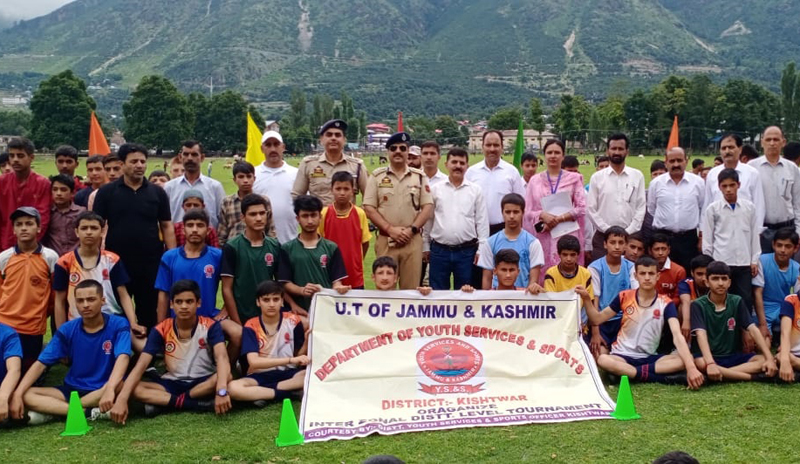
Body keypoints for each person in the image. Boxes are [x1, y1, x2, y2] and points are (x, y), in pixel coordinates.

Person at [10, 279, 131, 424]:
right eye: (80, 301)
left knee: (120, 384)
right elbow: (41, 363)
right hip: (72, 390)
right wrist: (17, 393)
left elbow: (123, 357)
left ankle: (56, 411)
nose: (85, 305)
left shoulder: (119, 324)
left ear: (102, 301)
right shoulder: (67, 329)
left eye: (91, 299)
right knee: (26, 394)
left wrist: (110, 388)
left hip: (103, 388)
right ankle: (88, 412)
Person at [109, 280, 231, 423]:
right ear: (171, 304)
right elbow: (141, 365)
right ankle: (195, 404)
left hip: (203, 381)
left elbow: (222, 358)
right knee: (124, 387)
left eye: (189, 301)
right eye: (179, 302)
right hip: (171, 383)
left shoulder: (211, 326)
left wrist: (221, 391)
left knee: (226, 376)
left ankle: (165, 403)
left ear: (198, 303)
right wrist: (122, 399)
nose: (184, 306)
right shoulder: (161, 328)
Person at [586, 256, 703, 389]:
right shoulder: (624, 296)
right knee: (603, 359)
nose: (647, 278)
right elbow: (597, 319)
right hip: (622, 356)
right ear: (636, 276)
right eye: (642, 273)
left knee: (683, 360)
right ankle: (659, 378)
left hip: (649, 357)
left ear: (658, 276)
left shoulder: (665, 303)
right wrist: (586, 298)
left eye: (651, 274)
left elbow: (677, 335)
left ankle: (628, 373)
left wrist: (691, 368)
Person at [93, 143, 176, 329]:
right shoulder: (107, 192)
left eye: (142, 161)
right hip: (116, 262)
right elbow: (96, 225)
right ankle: (120, 345)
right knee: (116, 310)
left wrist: (171, 256)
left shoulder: (157, 192)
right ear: (122, 164)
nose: (139, 165)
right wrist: (96, 256)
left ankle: (148, 345)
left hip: (150, 262)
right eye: (134, 161)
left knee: (148, 310)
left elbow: (166, 225)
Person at [154, 209, 241, 363]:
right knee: (183, 363)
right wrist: (161, 327)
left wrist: (225, 310)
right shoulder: (169, 257)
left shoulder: (217, 256)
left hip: (210, 317)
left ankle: (222, 366)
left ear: (208, 230)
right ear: (183, 229)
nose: (195, 229)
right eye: (190, 225)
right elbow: (163, 295)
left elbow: (231, 286)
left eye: (200, 225)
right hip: (179, 319)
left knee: (238, 334)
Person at [52, 211, 145, 350]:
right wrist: (61, 334)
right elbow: (59, 301)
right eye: (84, 228)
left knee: (144, 349)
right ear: (77, 232)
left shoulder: (112, 259)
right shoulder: (64, 262)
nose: (89, 232)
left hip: (112, 319)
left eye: (94, 228)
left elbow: (124, 295)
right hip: (79, 322)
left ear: (102, 231)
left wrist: (133, 323)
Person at [363, 132, 433, 290]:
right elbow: (369, 207)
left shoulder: (419, 176)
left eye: (402, 148)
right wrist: (389, 229)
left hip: (412, 240)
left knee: (411, 290)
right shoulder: (377, 176)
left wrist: (412, 229)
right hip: (386, 240)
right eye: (393, 148)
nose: (398, 151)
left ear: (408, 151)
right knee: (385, 289)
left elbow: (427, 206)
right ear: (388, 152)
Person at [691, 261, 777, 381]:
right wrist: (710, 363)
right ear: (707, 282)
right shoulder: (698, 304)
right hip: (708, 357)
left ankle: (723, 374)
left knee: (762, 360)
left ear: (729, 282)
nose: (720, 283)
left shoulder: (736, 301)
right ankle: (749, 377)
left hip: (733, 356)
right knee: (700, 363)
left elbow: (752, 328)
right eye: (715, 279)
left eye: (724, 279)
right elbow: (701, 334)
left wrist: (769, 358)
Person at [227, 280, 307, 405]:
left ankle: (262, 393)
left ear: (282, 301)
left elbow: (298, 357)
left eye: (276, 299)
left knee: (310, 375)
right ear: (258, 302)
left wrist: (306, 342)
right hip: (260, 375)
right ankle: (288, 393)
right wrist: (290, 360)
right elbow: (254, 362)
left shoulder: (293, 321)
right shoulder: (251, 325)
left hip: (288, 373)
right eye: (266, 300)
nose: (271, 304)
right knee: (233, 388)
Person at [0, 207, 58, 372]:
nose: (24, 228)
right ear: (13, 230)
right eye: (19, 224)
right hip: (5, 323)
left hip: (33, 327)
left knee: (28, 372)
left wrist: (42, 314)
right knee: (5, 371)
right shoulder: (4, 258)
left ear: (38, 228)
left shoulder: (50, 257)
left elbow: (55, 296)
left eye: (29, 224)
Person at [424, 148, 488, 290]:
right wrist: (425, 246)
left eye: (462, 163)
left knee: (465, 293)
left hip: (466, 251)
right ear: (446, 164)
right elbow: (429, 220)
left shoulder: (475, 190)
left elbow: (482, 221)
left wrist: (481, 249)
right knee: (438, 294)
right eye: (454, 162)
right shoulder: (435, 189)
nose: (458, 166)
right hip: (439, 251)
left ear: (467, 166)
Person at [524, 139, 587, 276]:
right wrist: (542, 215)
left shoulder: (574, 179)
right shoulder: (535, 181)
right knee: (544, 274)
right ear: (544, 155)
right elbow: (527, 211)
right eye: (549, 152)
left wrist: (558, 219)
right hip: (544, 234)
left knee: (567, 274)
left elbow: (582, 208)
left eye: (557, 152)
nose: (553, 156)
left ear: (563, 155)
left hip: (566, 234)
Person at [701, 169, 760, 314]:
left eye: (732, 185)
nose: (728, 190)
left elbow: (754, 235)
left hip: (743, 262)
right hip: (721, 261)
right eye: (724, 186)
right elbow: (708, 239)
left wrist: (754, 260)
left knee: (745, 299)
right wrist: (710, 263)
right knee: (722, 299)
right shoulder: (713, 209)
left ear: (738, 185)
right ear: (719, 187)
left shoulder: (749, 207)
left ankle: (745, 327)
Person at [277, 195, 349, 313]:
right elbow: (284, 283)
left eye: (313, 215)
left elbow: (336, 280)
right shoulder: (287, 249)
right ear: (297, 218)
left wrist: (338, 288)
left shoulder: (331, 247)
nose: (310, 221)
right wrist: (301, 290)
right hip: (299, 311)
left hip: (326, 309)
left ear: (320, 217)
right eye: (305, 216)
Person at [221, 194, 283, 325]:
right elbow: (226, 289)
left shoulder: (275, 246)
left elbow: (281, 284)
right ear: (243, 217)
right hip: (242, 315)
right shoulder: (232, 247)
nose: (259, 218)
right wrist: (237, 323)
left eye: (262, 213)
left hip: (268, 317)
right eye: (253, 214)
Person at [586, 133, 646, 261]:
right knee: (601, 271)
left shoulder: (637, 176)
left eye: (620, 149)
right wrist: (608, 231)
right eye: (613, 148)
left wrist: (628, 231)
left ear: (627, 151)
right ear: (607, 151)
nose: (617, 152)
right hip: (603, 237)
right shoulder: (597, 178)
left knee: (630, 272)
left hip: (631, 238)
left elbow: (641, 207)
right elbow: (591, 209)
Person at [647, 147, 704, 270]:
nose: (676, 164)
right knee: (661, 273)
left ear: (686, 161)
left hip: (688, 239)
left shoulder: (698, 183)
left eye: (679, 160)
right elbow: (652, 209)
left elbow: (702, 209)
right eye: (672, 161)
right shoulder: (656, 183)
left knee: (687, 273)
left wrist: (701, 237)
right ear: (666, 162)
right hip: (662, 238)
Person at [477, 193, 544, 291]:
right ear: (502, 213)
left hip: (522, 297)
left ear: (523, 213)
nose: (511, 216)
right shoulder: (490, 243)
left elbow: (534, 279)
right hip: (497, 297)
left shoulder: (533, 243)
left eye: (516, 212)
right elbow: (487, 278)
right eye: (508, 212)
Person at [292, 120, 368, 206]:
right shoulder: (308, 164)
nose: (333, 138)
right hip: (319, 214)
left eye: (338, 135)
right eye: (329, 135)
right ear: (321, 140)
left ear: (344, 140)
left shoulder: (357, 166)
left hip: (346, 214)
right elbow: (297, 196)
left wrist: (358, 212)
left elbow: (369, 198)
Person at [749, 126, 800, 253]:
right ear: (762, 142)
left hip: (787, 229)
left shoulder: (792, 168)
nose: (772, 143)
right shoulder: (751, 168)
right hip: (762, 231)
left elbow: (797, 202)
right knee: (762, 264)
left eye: (776, 139)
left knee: (786, 264)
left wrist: (798, 231)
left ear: (783, 142)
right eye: (768, 139)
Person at [588, 226, 637, 357]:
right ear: (605, 244)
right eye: (612, 242)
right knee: (599, 355)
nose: (617, 247)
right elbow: (594, 301)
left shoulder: (631, 267)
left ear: (626, 246)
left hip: (623, 320)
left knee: (622, 356)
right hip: (602, 321)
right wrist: (595, 332)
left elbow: (635, 297)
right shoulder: (595, 268)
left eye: (621, 243)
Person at [703, 134, 765, 237]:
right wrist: (704, 232)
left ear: (740, 149)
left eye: (731, 147)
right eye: (724, 148)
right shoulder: (713, 174)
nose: (727, 151)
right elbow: (707, 204)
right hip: (719, 231)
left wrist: (757, 232)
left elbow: (759, 205)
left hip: (745, 231)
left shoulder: (752, 173)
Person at [466, 130, 525, 235]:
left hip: (504, 229)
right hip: (476, 230)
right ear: (482, 147)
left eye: (496, 145)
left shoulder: (512, 172)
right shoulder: (471, 173)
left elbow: (521, 203)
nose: (492, 149)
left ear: (502, 147)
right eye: (488, 145)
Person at [319, 171, 372, 289]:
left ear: (353, 191)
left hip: (354, 273)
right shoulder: (324, 213)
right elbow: (319, 242)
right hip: (329, 273)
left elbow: (365, 242)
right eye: (338, 189)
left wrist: (357, 262)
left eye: (346, 189)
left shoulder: (359, 213)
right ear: (331, 190)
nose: (342, 193)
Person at [0, 137, 51, 250]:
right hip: (4, 244)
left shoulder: (43, 183)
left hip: (32, 246)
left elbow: (43, 218)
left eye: (20, 156)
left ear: (31, 157)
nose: (15, 160)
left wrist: (28, 244)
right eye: (12, 156)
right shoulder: (2, 182)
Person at [752, 227, 800, 344]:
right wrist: (762, 324)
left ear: (795, 248)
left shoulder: (796, 268)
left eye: (788, 246)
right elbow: (757, 292)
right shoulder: (761, 261)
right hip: (763, 310)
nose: (783, 250)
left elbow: (797, 299)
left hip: (784, 310)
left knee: (790, 344)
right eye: (779, 245)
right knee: (764, 344)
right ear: (773, 245)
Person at [164, 141, 226, 229]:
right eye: (186, 154)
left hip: (208, 237)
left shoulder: (215, 187)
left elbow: (223, 219)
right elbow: (164, 220)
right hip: (176, 237)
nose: (189, 158)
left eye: (194, 154)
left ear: (202, 157)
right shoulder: (169, 187)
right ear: (180, 157)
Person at [253, 131, 299, 244]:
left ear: (283, 147)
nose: (273, 149)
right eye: (268, 145)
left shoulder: (296, 174)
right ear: (262, 149)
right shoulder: (253, 174)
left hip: (290, 241)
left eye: (276, 144)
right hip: (261, 243)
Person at [541, 235, 595, 326]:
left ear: (578, 255)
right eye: (565, 255)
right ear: (559, 254)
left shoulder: (585, 273)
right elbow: (551, 300)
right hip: (558, 317)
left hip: (580, 318)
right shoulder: (551, 273)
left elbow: (589, 302)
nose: (568, 259)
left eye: (572, 255)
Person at [219, 161, 276, 245]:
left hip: (259, 247)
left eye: (249, 176)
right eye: (241, 177)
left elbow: (270, 229)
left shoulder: (263, 201)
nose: (245, 180)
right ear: (234, 180)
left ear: (254, 178)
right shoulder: (227, 202)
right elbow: (222, 232)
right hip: (234, 248)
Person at [419, 141, 446, 284]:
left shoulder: (446, 182)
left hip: (437, 240)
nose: (429, 157)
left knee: (433, 283)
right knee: (414, 281)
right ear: (420, 156)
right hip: (413, 236)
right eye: (425, 153)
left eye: (432, 153)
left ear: (439, 156)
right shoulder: (413, 178)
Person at [43, 174, 85, 256]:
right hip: (53, 257)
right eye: (55, 189)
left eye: (63, 190)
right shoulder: (47, 213)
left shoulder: (81, 213)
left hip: (76, 257)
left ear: (72, 193)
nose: (58, 193)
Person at [677, 254, 713, 341]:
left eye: (706, 274)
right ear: (692, 273)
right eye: (699, 274)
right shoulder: (686, 283)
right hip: (691, 318)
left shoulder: (717, 283)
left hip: (712, 317)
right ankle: (685, 341)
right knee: (682, 308)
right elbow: (685, 302)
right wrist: (686, 322)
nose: (703, 278)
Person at [649, 233, 686, 305]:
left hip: (671, 306)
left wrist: (664, 305)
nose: (660, 253)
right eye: (656, 249)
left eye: (663, 249)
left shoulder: (679, 271)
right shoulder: (645, 269)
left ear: (669, 250)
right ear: (650, 251)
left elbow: (678, 297)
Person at [0, 322, 21, 423]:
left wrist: (3, 397)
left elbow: (14, 369)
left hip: (4, 387)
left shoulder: (8, 333)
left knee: (24, 398)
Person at [778, 291, 800, 382]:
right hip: (792, 354)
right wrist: (785, 360)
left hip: (795, 360)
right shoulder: (791, 300)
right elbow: (785, 334)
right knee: (780, 357)